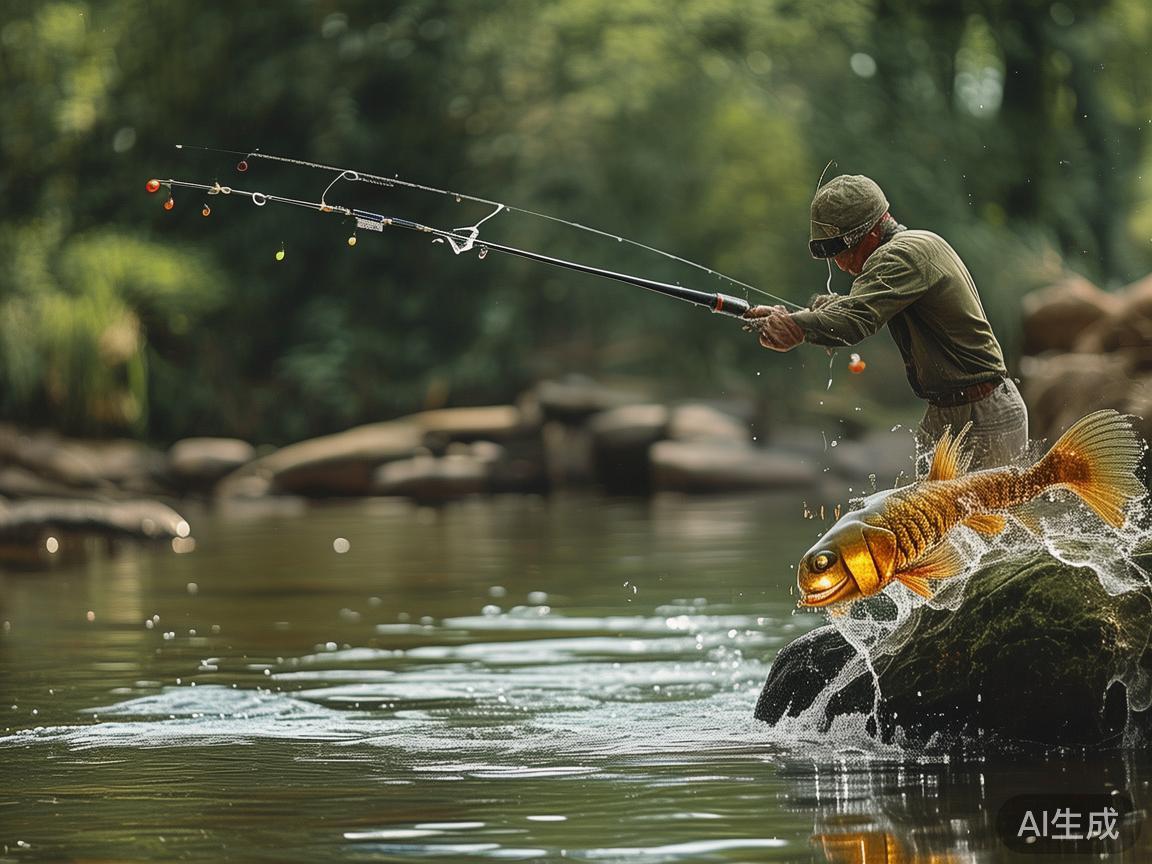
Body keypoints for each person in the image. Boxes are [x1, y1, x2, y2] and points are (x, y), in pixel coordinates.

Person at [745, 174, 1028, 473]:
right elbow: (857, 305)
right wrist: (789, 318)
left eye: (838, 250)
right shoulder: (915, 246)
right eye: (828, 253)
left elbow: (855, 320)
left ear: (869, 234)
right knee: (931, 521)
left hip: (982, 414)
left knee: (986, 520)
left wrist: (796, 327)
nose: (838, 263)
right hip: (948, 414)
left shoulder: (902, 255)